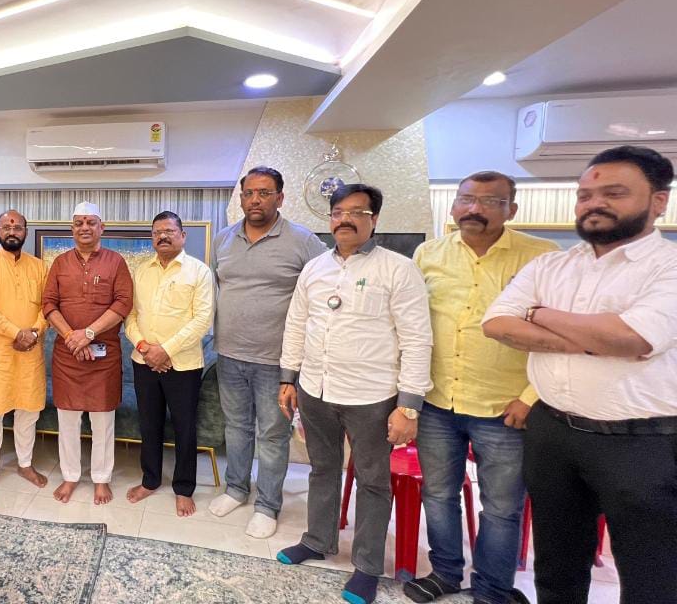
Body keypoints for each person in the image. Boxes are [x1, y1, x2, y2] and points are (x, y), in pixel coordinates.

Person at [483, 145, 677, 604]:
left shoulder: (668, 267)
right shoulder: (552, 265)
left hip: (641, 443)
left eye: (614, 193)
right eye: (585, 195)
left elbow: (632, 338)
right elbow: (497, 324)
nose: (595, 204)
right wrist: (594, 338)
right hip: (553, 432)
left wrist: (539, 314)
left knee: (651, 574)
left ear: (658, 201)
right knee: (557, 562)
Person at [404, 171, 557, 604]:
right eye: (466, 199)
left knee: (503, 508)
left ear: (512, 209)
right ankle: (445, 574)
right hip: (437, 401)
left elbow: (556, 338)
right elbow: (413, 326)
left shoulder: (541, 257)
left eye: (490, 201)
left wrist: (530, 398)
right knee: (438, 495)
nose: (474, 209)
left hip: (504, 407)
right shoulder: (428, 254)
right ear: (454, 205)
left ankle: (492, 589)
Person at [275, 184, 432, 604]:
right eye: (338, 212)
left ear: (374, 219)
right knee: (322, 469)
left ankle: (366, 566)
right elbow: (296, 324)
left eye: (356, 212)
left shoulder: (398, 270)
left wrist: (408, 406)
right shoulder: (314, 268)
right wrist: (289, 378)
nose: (344, 219)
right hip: (316, 388)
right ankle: (317, 540)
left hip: (372, 396)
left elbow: (417, 339)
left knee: (373, 481)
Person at [209, 166, 328, 538]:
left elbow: (327, 286)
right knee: (236, 428)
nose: (255, 200)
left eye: (264, 193)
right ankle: (236, 488)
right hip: (229, 355)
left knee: (273, 435)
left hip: (277, 362)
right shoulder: (224, 239)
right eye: (248, 193)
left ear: (280, 197)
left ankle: (267, 505)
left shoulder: (302, 241)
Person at [124, 211, 214, 516]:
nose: (162, 236)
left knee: (184, 427)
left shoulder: (199, 271)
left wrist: (165, 351)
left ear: (182, 236)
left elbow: (202, 320)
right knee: (148, 423)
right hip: (143, 361)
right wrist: (144, 347)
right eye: (157, 232)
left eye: (169, 231)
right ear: (152, 238)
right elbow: (130, 316)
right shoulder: (141, 271)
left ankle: (184, 488)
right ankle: (150, 480)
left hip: (183, 365)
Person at [42, 201, 133, 505]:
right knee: (67, 419)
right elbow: (48, 304)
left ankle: (101, 479)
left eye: (90, 222)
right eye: (79, 223)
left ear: (101, 227)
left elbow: (123, 304)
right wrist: (72, 337)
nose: (84, 228)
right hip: (67, 354)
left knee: (102, 421)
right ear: (72, 229)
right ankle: (70, 476)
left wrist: (89, 334)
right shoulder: (59, 263)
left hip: (103, 356)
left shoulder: (116, 262)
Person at [0, 209, 49, 496]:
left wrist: (34, 333)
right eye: (7, 227)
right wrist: (17, 333)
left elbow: (48, 307)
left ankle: (25, 464)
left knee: (28, 412)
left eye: (17, 227)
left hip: (30, 353)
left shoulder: (40, 267)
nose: (12, 231)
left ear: (25, 231)